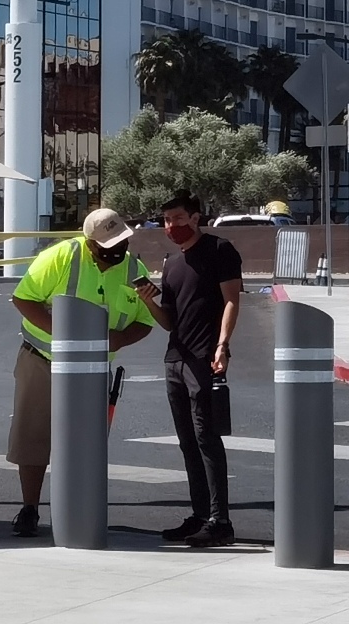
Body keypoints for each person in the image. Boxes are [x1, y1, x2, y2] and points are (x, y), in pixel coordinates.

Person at [6, 207, 156, 538]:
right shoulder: (60, 257)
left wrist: (120, 338)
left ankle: (78, 507)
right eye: (110, 244)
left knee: (84, 442)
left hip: (92, 369)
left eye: (123, 241)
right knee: (33, 436)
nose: (119, 250)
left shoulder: (135, 269)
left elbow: (146, 321)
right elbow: (23, 300)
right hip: (42, 358)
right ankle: (29, 508)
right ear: (90, 243)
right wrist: (66, 336)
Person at [133, 190, 243, 547]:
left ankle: (219, 520)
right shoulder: (172, 263)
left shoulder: (219, 250)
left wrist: (222, 345)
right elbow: (169, 321)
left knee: (207, 438)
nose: (172, 226)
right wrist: (149, 302)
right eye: (167, 221)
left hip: (203, 358)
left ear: (196, 218)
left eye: (178, 219)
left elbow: (231, 300)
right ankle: (199, 515)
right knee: (187, 442)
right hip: (175, 359)